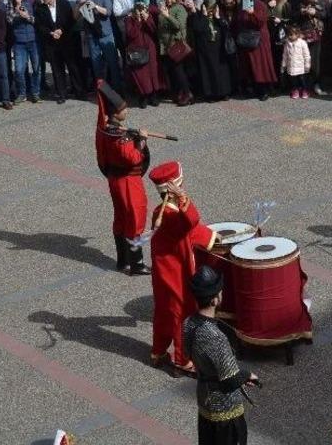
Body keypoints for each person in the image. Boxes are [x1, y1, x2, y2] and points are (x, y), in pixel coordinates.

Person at [147, 160, 215, 376]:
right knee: (180, 313)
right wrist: (184, 197)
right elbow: (191, 222)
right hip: (174, 270)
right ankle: (181, 360)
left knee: (164, 312)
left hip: (164, 269)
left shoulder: (162, 211)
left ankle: (158, 352)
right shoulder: (169, 214)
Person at [183, 265, 259, 444]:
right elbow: (229, 380)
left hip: (204, 399)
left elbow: (189, 353)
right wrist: (248, 375)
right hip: (224, 409)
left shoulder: (188, 323)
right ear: (215, 299)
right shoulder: (216, 336)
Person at [95, 81, 150, 275]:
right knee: (134, 218)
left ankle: (122, 260)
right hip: (128, 180)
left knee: (120, 217)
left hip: (115, 180)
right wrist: (141, 139)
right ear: (115, 114)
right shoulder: (118, 138)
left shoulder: (107, 129)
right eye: (123, 110)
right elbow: (133, 157)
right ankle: (137, 264)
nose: (126, 112)